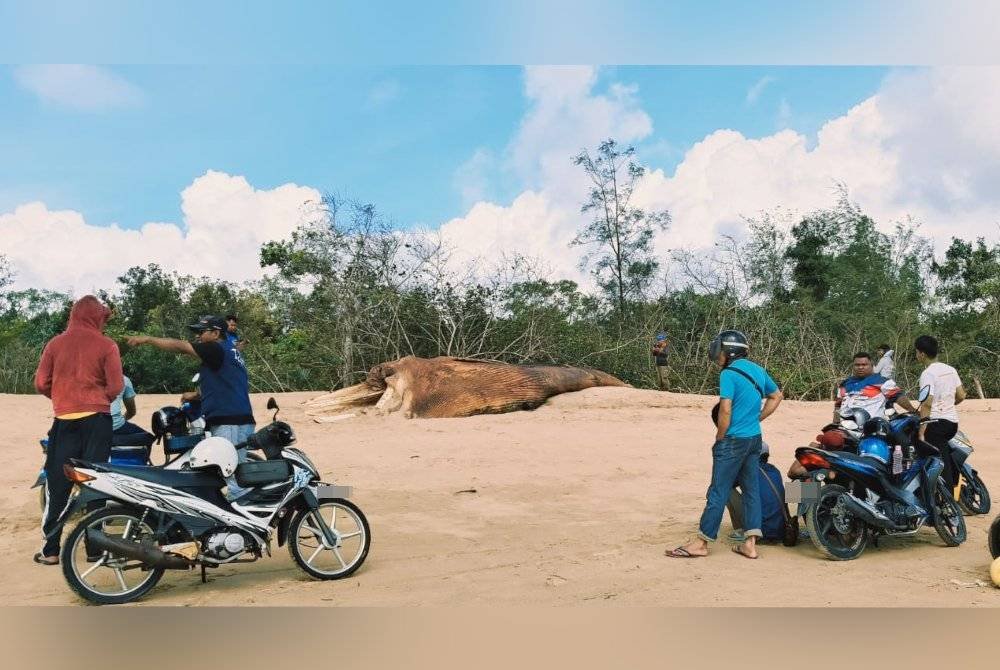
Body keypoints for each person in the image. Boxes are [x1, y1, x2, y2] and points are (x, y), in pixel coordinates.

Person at [667, 330, 783, 560]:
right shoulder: (758, 370)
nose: (717, 354)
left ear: (729, 352)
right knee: (751, 490)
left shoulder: (728, 374)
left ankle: (701, 543)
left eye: (719, 350)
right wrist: (757, 418)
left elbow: (725, 409)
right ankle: (750, 544)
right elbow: (777, 396)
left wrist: (721, 436)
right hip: (754, 440)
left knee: (718, 490)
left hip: (733, 440)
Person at [33, 295, 123, 565]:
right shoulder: (107, 344)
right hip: (97, 420)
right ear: (97, 317)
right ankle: (95, 549)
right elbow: (116, 386)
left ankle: (51, 551)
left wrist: (62, 398)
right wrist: (98, 399)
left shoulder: (55, 344)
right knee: (93, 481)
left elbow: (40, 383)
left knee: (57, 483)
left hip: (64, 420)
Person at [127, 315, 255, 498]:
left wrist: (148, 339)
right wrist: (195, 395)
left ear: (216, 333)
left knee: (233, 479)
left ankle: (243, 523)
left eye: (201, 332)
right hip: (234, 419)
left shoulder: (216, 348)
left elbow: (181, 346)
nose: (198, 337)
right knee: (231, 474)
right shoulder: (229, 351)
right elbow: (226, 384)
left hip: (230, 422)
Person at [914, 335, 966, 498]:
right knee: (943, 453)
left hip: (935, 424)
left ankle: (947, 499)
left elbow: (927, 403)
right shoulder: (950, 369)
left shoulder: (928, 374)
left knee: (938, 461)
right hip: (952, 423)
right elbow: (961, 395)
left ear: (921, 354)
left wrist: (922, 430)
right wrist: (949, 405)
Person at [833, 352, 915, 424]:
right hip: (846, 427)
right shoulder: (845, 384)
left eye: (864, 365)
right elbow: (838, 405)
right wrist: (835, 423)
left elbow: (898, 397)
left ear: (872, 365)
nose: (860, 367)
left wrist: (913, 411)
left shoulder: (883, 381)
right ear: (853, 366)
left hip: (871, 427)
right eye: (857, 365)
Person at [110, 373, 155, 447]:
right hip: (115, 426)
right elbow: (131, 412)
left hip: (88, 425)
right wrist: (120, 421)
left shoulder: (86, 378)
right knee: (148, 438)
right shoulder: (123, 379)